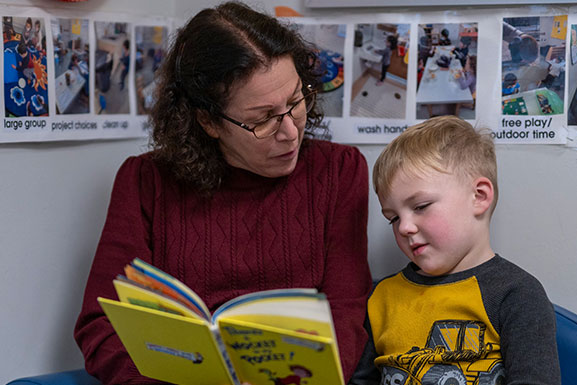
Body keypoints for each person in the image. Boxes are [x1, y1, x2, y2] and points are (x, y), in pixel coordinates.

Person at [74, 2, 372, 384]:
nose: (291, 132)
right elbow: (102, 324)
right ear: (208, 121)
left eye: (296, 101)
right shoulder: (144, 182)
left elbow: (344, 319)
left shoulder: (339, 172)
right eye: (262, 119)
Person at [349, 115, 559, 385]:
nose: (404, 228)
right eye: (393, 218)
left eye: (421, 206)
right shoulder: (380, 298)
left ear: (479, 196)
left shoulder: (517, 294)